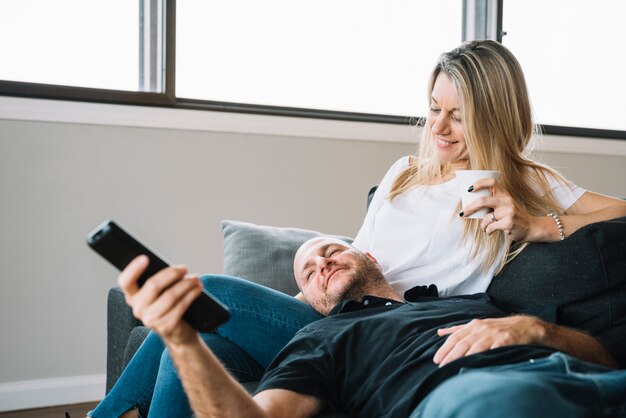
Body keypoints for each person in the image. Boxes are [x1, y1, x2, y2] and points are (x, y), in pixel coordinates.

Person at [88, 39, 626, 418]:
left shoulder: (524, 183)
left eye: (457, 116)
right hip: (340, 313)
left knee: (204, 298)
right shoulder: (403, 174)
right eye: (433, 108)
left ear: (493, 115)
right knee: (199, 328)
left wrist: (538, 224)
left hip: (404, 326)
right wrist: (313, 283)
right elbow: (362, 253)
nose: (438, 127)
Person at [104, 237, 626, 418]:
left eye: (331, 251)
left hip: (583, 376)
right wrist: (181, 338)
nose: (322, 263)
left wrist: (537, 331)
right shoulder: (318, 341)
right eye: (308, 272)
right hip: (479, 399)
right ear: (305, 300)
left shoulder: (474, 299)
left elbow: (601, 355)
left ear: (368, 254)